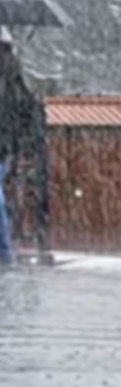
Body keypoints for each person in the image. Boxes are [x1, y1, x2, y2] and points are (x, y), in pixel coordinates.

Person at [0, 26, 35, 266]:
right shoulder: (13, 75)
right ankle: (5, 251)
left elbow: (24, 111)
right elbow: (26, 110)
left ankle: (4, 251)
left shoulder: (10, 76)